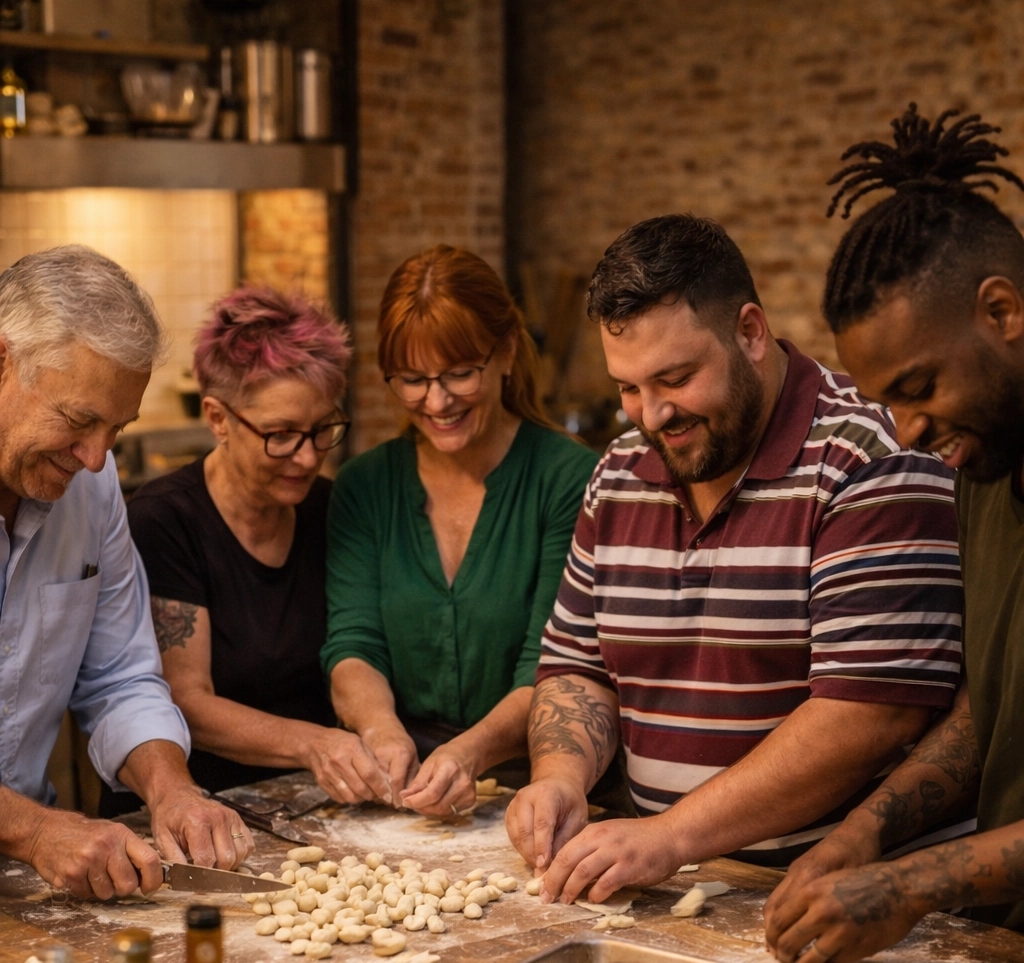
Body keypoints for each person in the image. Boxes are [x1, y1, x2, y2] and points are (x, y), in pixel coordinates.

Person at [763, 104, 1024, 963]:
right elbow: (992, 707)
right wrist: (872, 831)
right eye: (888, 407)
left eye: (921, 388)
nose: (912, 431)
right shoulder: (982, 466)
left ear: (1005, 308)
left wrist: (904, 890)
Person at [505, 213, 963, 907]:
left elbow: (868, 714)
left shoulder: (870, 458)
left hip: (843, 900)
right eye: (628, 388)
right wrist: (560, 777)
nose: (650, 416)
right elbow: (579, 668)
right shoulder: (621, 472)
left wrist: (670, 835)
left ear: (749, 332)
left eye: (676, 378)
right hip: (668, 888)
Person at [0, 245, 251, 899]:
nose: (93, 458)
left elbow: (118, 677)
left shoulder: (93, 483)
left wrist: (173, 791)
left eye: (116, 429)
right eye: (80, 421)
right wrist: (31, 831)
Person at [320, 245, 598, 818]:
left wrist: (469, 754)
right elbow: (353, 644)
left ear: (506, 353)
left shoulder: (568, 479)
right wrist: (381, 732)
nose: (438, 401)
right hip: (397, 785)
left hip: (539, 785)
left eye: (459, 374)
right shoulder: (364, 486)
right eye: (412, 380)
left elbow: (550, 666)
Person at [123, 285, 351, 798]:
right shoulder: (165, 521)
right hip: (195, 805)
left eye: (321, 429)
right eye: (281, 434)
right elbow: (185, 699)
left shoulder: (330, 508)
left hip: (310, 802)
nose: (308, 458)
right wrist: (316, 745)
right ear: (217, 418)